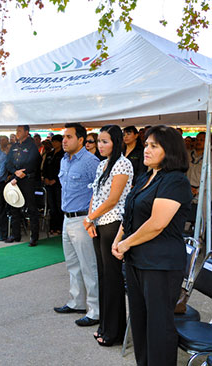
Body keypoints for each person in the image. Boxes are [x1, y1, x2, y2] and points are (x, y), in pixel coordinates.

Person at [112, 125, 192, 365]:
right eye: (146, 144)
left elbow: (157, 223)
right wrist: (118, 239)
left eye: (153, 145)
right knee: (140, 323)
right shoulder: (146, 176)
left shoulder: (176, 181)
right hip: (137, 261)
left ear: (170, 150)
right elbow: (131, 213)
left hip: (160, 264)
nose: (146, 149)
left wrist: (125, 244)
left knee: (158, 326)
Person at [83, 125, 133, 346]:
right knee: (103, 276)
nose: (100, 146)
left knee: (112, 278)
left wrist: (90, 217)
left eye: (105, 141)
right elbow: (95, 193)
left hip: (114, 225)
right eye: (98, 141)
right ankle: (105, 324)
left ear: (115, 142)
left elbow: (113, 199)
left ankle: (114, 331)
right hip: (99, 223)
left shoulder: (123, 164)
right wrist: (90, 219)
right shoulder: (102, 164)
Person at [53, 123, 100, 327]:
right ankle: (77, 302)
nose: (64, 140)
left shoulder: (91, 162)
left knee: (89, 266)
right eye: (64, 136)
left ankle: (95, 310)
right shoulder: (65, 160)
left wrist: (91, 219)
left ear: (81, 140)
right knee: (72, 264)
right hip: (67, 218)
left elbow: (99, 193)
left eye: (69, 137)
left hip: (83, 219)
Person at [5, 125, 41, 245]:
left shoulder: (31, 146)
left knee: (31, 208)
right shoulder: (15, 146)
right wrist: (15, 172)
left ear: (27, 132)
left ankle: (34, 237)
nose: (17, 133)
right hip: (15, 179)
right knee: (14, 206)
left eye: (20, 131)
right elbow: (8, 162)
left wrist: (23, 172)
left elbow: (34, 161)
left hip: (27, 180)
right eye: (16, 130)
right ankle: (16, 235)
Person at [42, 134, 64, 235]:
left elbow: (62, 169)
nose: (54, 143)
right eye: (53, 142)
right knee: (51, 206)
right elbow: (45, 167)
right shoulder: (49, 154)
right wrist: (45, 178)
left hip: (58, 184)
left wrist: (55, 179)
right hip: (48, 183)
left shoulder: (63, 154)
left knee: (59, 205)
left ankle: (60, 227)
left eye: (56, 141)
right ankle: (53, 226)